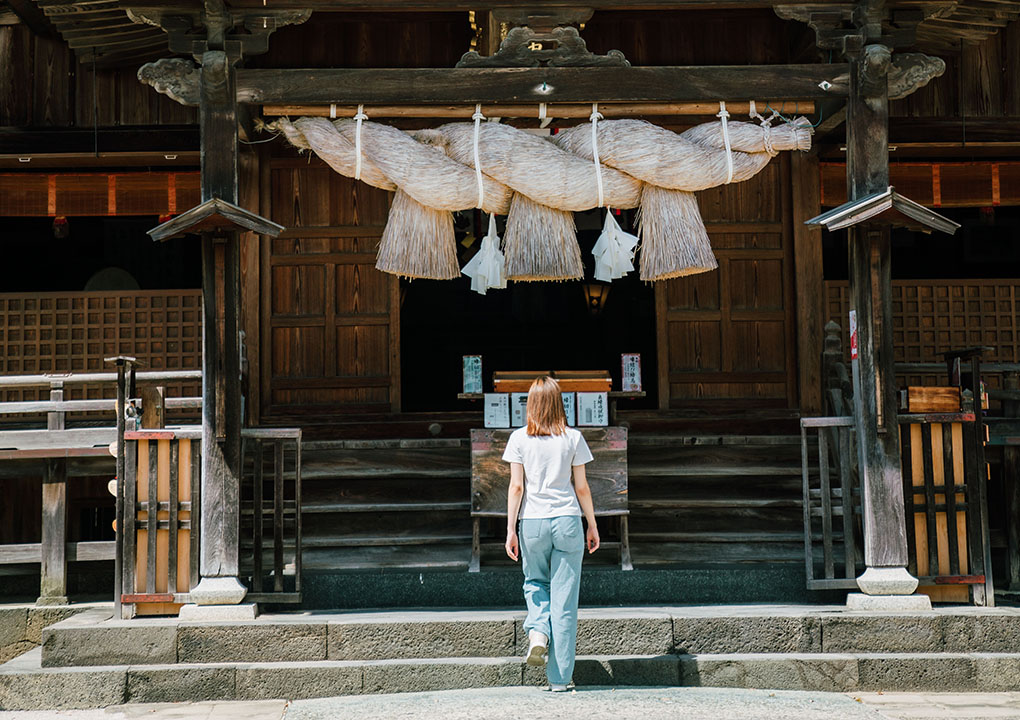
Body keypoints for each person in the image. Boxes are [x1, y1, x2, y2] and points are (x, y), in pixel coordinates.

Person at [503, 376, 600, 692]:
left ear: (530, 404)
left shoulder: (519, 439)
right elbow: (581, 487)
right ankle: (559, 680)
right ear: (560, 404)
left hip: (532, 522)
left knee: (535, 583)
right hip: (568, 521)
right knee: (565, 599)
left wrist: (510, 529)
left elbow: (517, 487)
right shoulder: (573, 438)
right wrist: (592, 524)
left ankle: (538, 633)